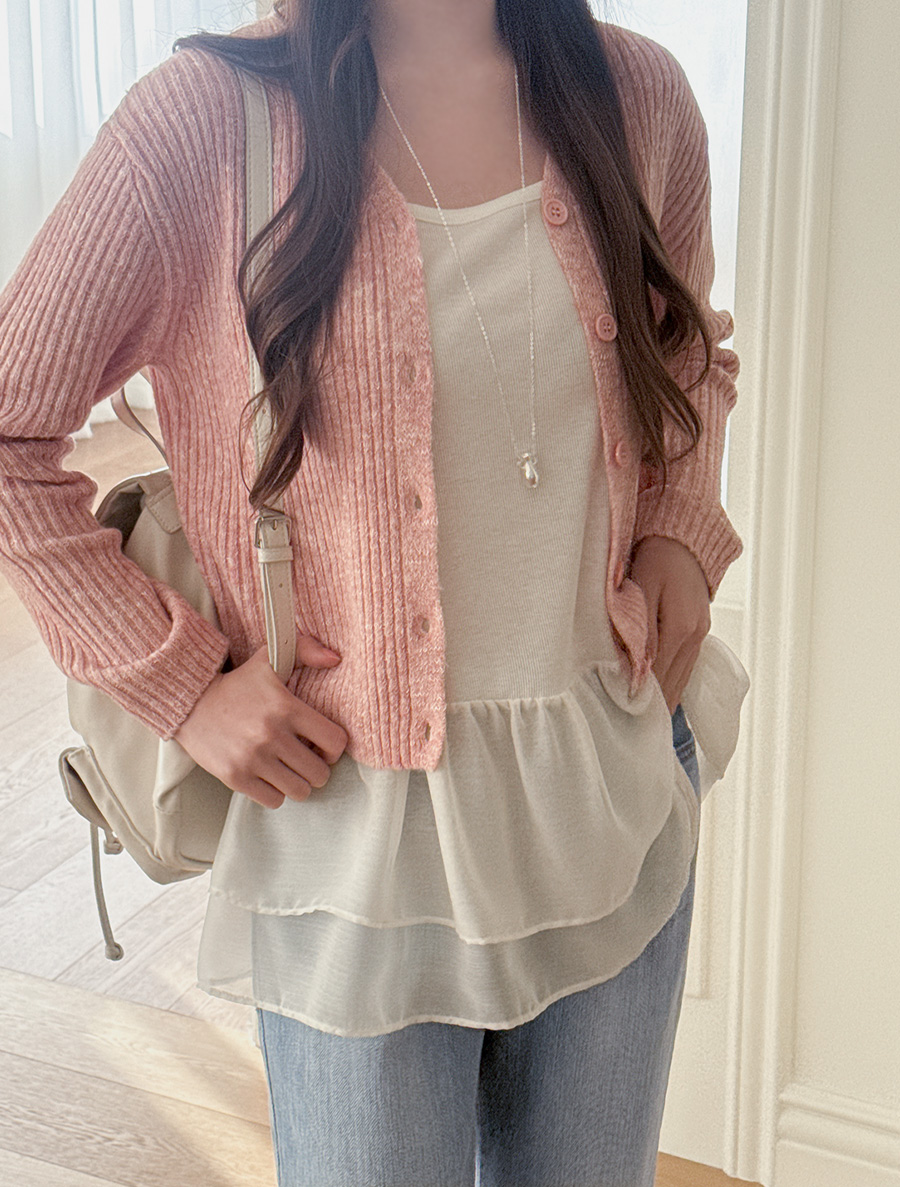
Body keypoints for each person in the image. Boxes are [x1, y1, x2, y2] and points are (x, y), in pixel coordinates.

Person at [0, 0, 750, 1183]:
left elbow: (686, 348)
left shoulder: (638, 95)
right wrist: (183, 684)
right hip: (352, 836)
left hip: (606, 779)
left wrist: (679, 532)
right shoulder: (201, 125)